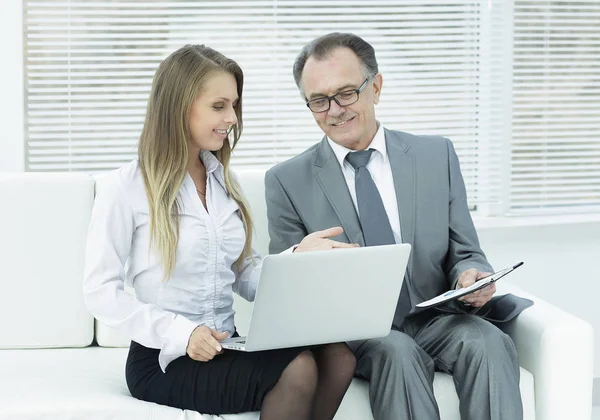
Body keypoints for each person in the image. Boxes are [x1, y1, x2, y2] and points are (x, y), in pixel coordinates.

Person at [265, 33, 532, 420]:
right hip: (359, 334)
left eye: (346, 93)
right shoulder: (287, 180)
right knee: (398, 352)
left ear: (375, 86)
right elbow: (286, 291)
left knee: (488, 341)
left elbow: (465, 250)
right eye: (319, 101)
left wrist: (470, 276)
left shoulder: (434, 155)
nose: (335, 110)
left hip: (437, 318)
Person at [82, 44, 357, 420]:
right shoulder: (126, 187)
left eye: (233, 105)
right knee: (299, 368)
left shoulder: (223, 183)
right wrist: (183, 334)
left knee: (339, 356)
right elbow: (100, 293)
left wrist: (298, 259)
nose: (231, 117)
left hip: (228, 343)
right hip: (165, 357)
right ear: (179, 106)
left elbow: (244, 276)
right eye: (219, 105)